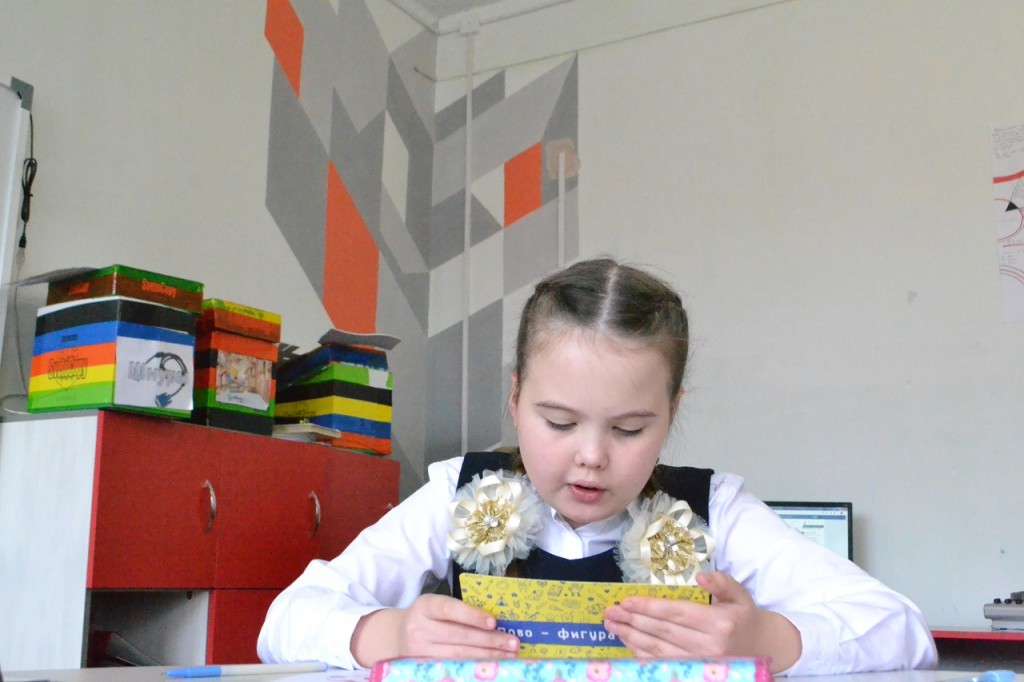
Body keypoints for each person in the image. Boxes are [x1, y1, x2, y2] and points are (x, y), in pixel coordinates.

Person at [257, 257, 937, 675]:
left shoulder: (717, 512)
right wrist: (388, 631)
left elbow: (902, 630)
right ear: (515, 398)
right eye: (559, 423)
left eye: (629, 429)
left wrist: (772, 638)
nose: (592, 455)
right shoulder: (456, 495)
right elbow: (285, 621)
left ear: (671, 411)